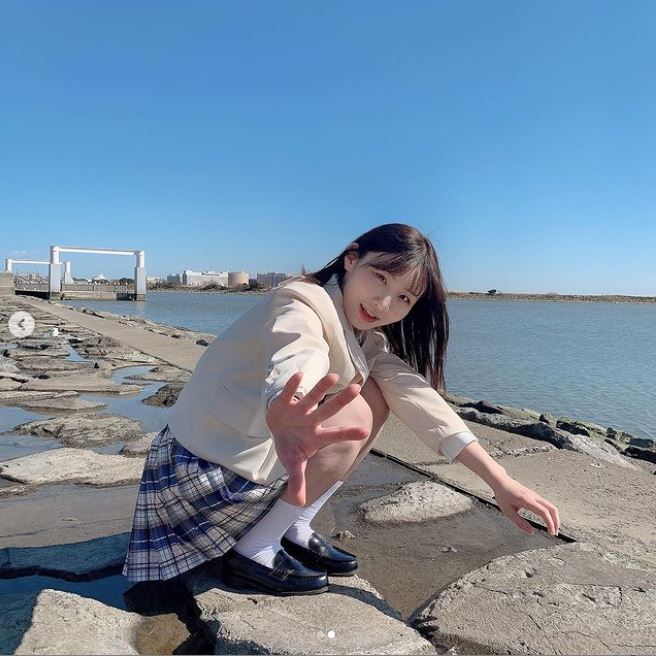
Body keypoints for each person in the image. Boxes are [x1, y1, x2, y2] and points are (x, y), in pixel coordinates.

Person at [122, 223, 560, 596]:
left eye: (404, 298)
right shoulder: (300, 300)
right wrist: (288, 404)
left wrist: (499, 480)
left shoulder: (367, 337)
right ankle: (253, 549)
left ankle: (293, 525)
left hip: (244, 457)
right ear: (352, 259)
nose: (384, 304)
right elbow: (299, 352)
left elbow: (419, 399)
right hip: (201, 471)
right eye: (380, 278)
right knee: (357, 412)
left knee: (378, 395)